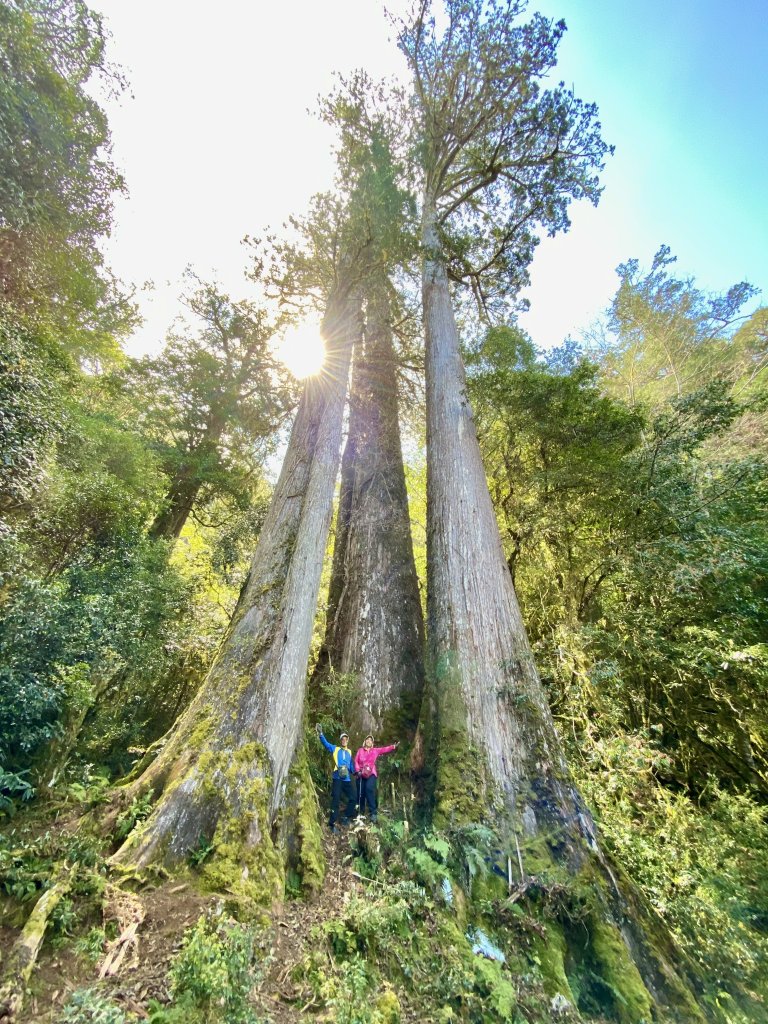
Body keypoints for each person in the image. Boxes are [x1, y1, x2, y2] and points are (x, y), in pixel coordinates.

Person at [316, 723, 357, 831]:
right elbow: (326, 744)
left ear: (347, 741)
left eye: (346, 739)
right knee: (336, 799)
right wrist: (321, 734)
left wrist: (356, 772)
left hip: (347, 779)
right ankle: (332, 823)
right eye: (342, 739)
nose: (344, 740)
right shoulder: (336, 749)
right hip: (337, 778)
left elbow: (351, 766)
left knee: (353, 797)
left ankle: (346, 817)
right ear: (340, 741)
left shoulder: (349, 752)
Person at [354, 734, 399, 822]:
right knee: (361, 792)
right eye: (367, 739)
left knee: (369, 789)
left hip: (371, 773)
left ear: (372, 743)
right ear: (365, 741)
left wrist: (393, 746)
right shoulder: (360, 750)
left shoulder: (375, 751)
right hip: (361, 773)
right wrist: (358, 770)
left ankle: (373, 812)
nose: (369, 741)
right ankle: (361, 812)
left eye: (371, 740)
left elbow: (384, 749)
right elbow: (356, 761)